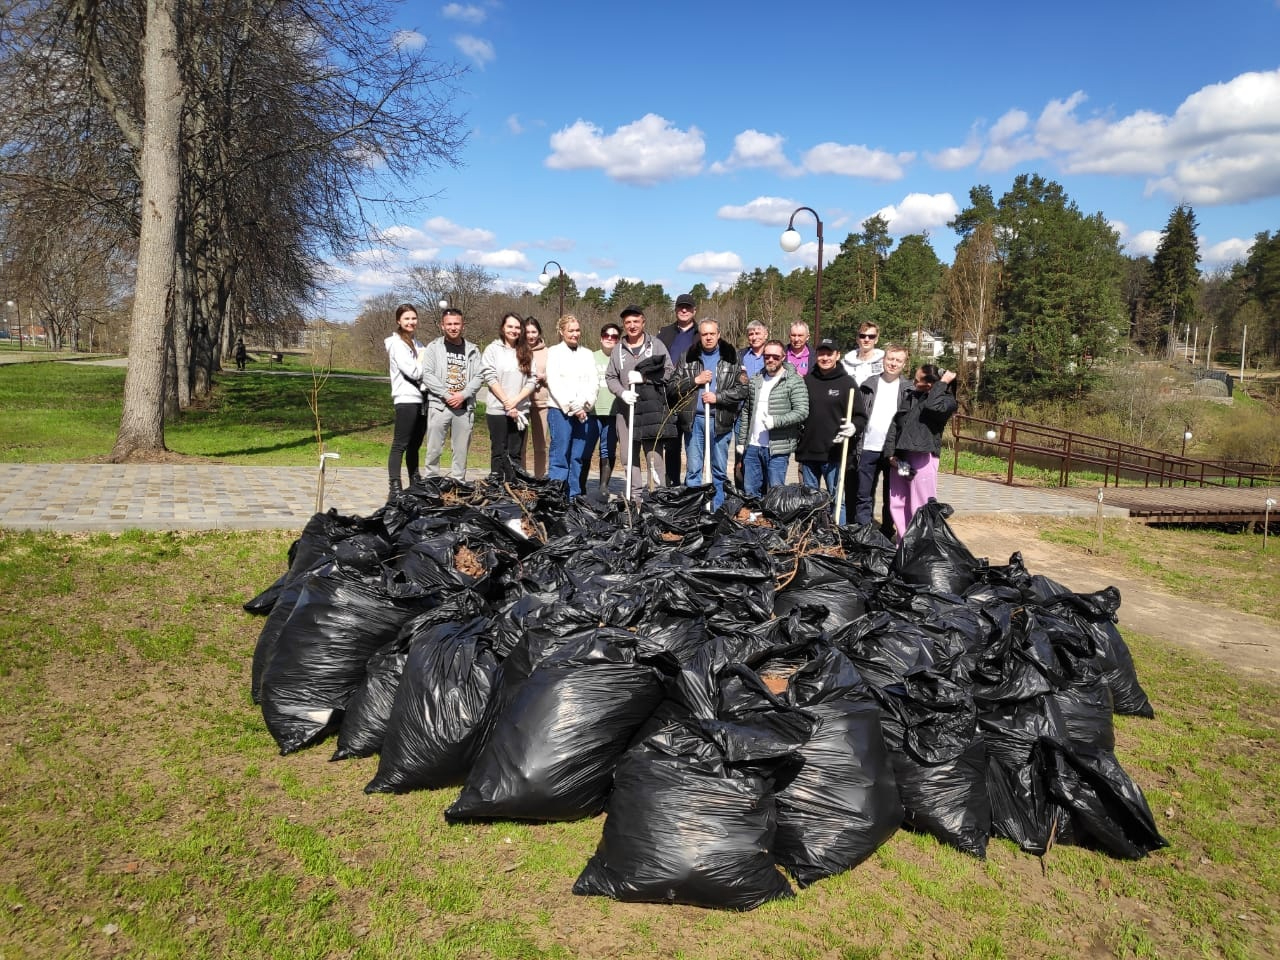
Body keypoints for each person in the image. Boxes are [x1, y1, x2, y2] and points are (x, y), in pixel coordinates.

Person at [674, 319, 747, 509]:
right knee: (693, 470)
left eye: (711, 334)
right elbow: (672, 387)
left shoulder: (731, 357)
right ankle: (694, 510)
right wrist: (694, 380)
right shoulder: (687, 357)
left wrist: (719, 397)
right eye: (704, 334)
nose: (708, 337)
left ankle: (717, 510)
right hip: (694, 421)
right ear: (700, 335)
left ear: (718, 334)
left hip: (720, 421)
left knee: (719, 470)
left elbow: (742, 390)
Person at [606, 304, 675, 497]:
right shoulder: (618, 350)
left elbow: (669, 372)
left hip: (651, 410)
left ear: (643, 322)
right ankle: (634, 496)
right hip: (626, 411)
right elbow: (610, 377)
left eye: (636, 321)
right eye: (628, 322)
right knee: (628, 456)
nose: (632, 325)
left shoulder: (656, 345)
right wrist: (621, 393)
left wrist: (645, 379)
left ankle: (656, 496)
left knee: (654, 456)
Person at [887, 363, 959, 538]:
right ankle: (902, 544)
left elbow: (933, 406)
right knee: (899, 501)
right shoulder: (912, 396)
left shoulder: (947, 402)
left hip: (923, 459)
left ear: (930, 384)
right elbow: (895, 424)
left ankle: (920, 545)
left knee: (920, 503)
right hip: (902, 458)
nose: (913, 382)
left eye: (918, 380)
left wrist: (942, 383)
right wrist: (890, 455)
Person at [794, 338, 857, 522]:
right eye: (821, 353)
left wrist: (853, 427)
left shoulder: (847, 383)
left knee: (837, 500)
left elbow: (860, 416)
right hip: (808, 452)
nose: (825, 357)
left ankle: (839, 535)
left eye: (829, 353)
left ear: (837, 355)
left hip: (834, 453)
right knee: (810, 501)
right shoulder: (807, 381)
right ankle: (812, 535)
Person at [735, 339, 808, 496]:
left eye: (775, 356)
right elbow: (747, 411)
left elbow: (802, 411)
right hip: (753, 447)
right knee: (750, 492)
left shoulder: (793, 381)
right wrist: (742, 441)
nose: (770, 360)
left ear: (783, 357)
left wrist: (776, 421)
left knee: (775, 492)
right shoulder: (755, 380)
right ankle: (754, 521)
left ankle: (773, 521)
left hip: (778, 448)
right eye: (767, 356)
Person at [852, 343, 909, 534]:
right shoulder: (868, 384)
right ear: (883, 360)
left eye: (898, 360)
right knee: (863, 493)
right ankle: (863, 531)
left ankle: (887, 531)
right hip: (868, 447)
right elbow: (858, 414)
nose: (893, 364)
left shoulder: (909, 390)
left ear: (904, 364)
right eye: (890, 359)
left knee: (894, 495)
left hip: (897, 453)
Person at [421, 307, 483, 481]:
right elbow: (427, 374)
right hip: (439, 406)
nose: (453, 327)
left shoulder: (473, 350)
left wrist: (463, 395)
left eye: (457, 323)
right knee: (433, 450)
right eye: (449, 324)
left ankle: (458, 485)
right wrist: (447, 395)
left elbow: (480, 375)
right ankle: (431, 484)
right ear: (442, 326)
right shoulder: (433, 347)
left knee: (461, 451)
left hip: (464, 408)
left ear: (463, 325)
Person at [545, 314, 600, 498]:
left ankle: (574, 496)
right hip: (561, 411)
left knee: (577, 457)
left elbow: (594, 383)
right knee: (560, 455)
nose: (575, 334)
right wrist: (572, 406)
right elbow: (554, 382)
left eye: (577, 330)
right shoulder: (553, 352)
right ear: (562, 332)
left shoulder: (587, 354)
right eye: (571, 330)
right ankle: (557, 495)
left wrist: (584, 404)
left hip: (583, 413)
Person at [480, 312, 537, 481]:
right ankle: (497, 486)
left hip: (520, 411)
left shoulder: (526, 351)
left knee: (515, 453)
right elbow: (490, 377)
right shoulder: (492, 349)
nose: (514, 330)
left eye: (517, 327)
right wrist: (506, 402)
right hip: (497, 409)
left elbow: (532, 380)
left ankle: (513, 486)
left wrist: (516, 402)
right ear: (503, 328)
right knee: (499, 450)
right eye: (510, 326)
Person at [383, 303, 428, 500]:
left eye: (413, 318)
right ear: (398, 321)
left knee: (415, 445)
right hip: (406, 399)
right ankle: (395, 487)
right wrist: (426, 362)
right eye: (407, 318)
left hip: (422, 400)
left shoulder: (418, 345)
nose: (411, 322)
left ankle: (415, 481)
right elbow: (415, 371)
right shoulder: (396, 345)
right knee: (400, 444)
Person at [657, 292, 701, 484]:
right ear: (675, 310)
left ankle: (692, 487)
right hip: (670, 397)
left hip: (693, 396)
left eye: (688, 307)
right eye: (681, 307)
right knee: (672, 446)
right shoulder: (664, 333)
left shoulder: (703, 334)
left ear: (694, 311)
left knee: (693, 446)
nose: (684, 310)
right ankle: (672, 486)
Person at [580, 321, 621, 499]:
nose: (610, 339)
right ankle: (580, 485)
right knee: (586, 450)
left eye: (614, 336)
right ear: (600, 338)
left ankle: (603, 486)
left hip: (613, 413)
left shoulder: (620, 358)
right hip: (592, 412)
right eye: (606, 336)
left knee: (607, 451)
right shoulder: (590, 357)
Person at [734, 320, 769, 491]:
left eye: (757, 333)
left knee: (763, 456)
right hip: (742, 414)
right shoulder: (740, 356)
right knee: (741, 457)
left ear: (766, 334)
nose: (754, 337)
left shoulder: (772, 355)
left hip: (765, 414)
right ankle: (742, 496)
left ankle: (764, 496)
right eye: (751, 334)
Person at [521, 317, 551, 477]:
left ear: (539, 332)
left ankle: (539, 477)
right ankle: (522, 477)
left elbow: (556, 377)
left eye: (534, 332)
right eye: (527, 332)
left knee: (540, 445)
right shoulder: (517, 349)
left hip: (542, 404)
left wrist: (544, 377)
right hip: (521, 404)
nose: (530, 335)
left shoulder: (548, 352)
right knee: (520, 446)